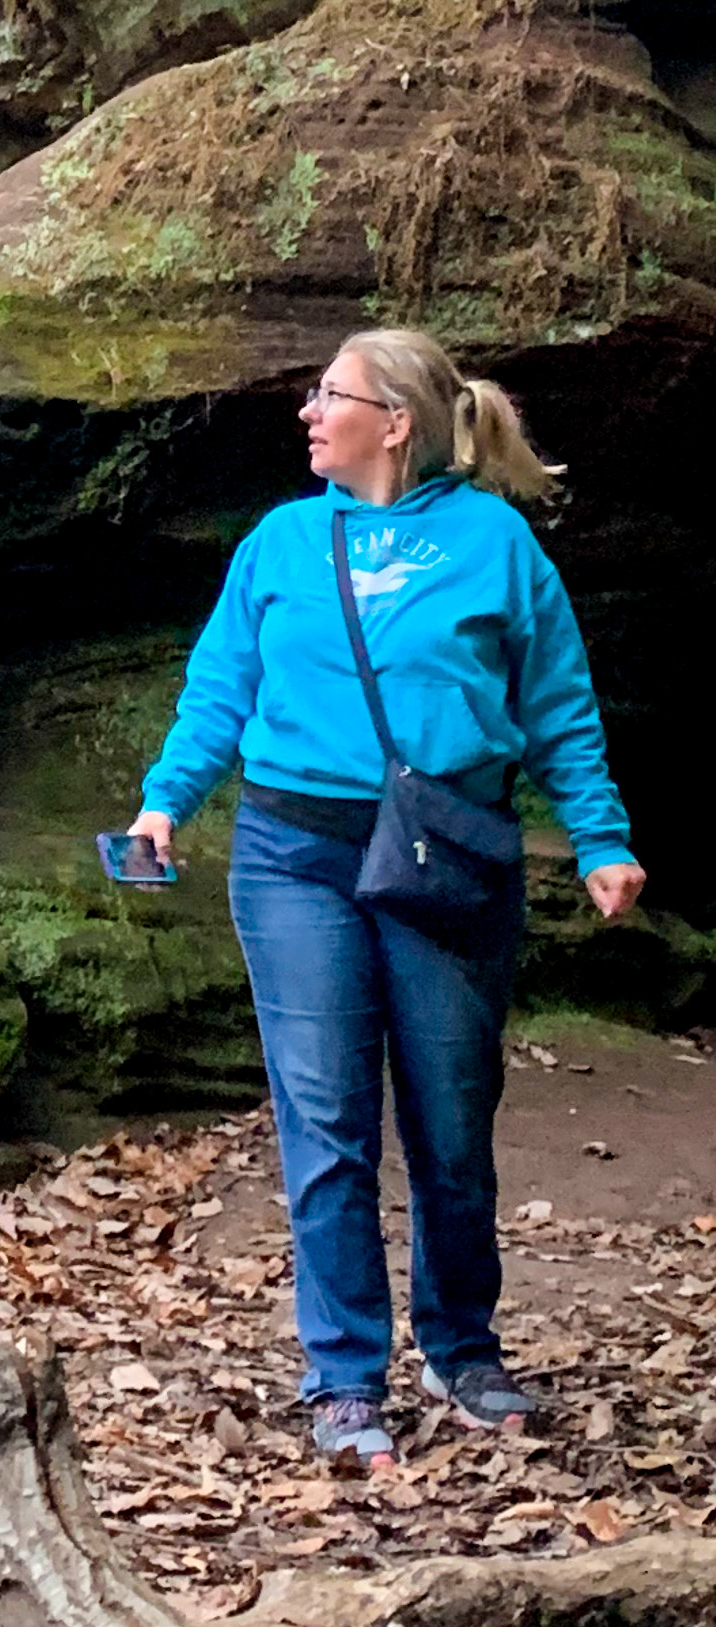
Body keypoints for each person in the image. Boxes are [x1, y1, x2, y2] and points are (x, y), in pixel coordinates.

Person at [125, 326, 643, 1470]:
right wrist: (166, 803)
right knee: (327, 1126)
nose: (308, 413)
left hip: (445, 860)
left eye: (330, 396)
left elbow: (557, 704)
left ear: (393, 422)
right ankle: (345, 1376)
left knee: (451, 1126)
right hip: (293, 856)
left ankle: (463, 1350)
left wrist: (599, 838)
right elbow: (220, 689)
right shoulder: (279, 543)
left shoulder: (493, 544)